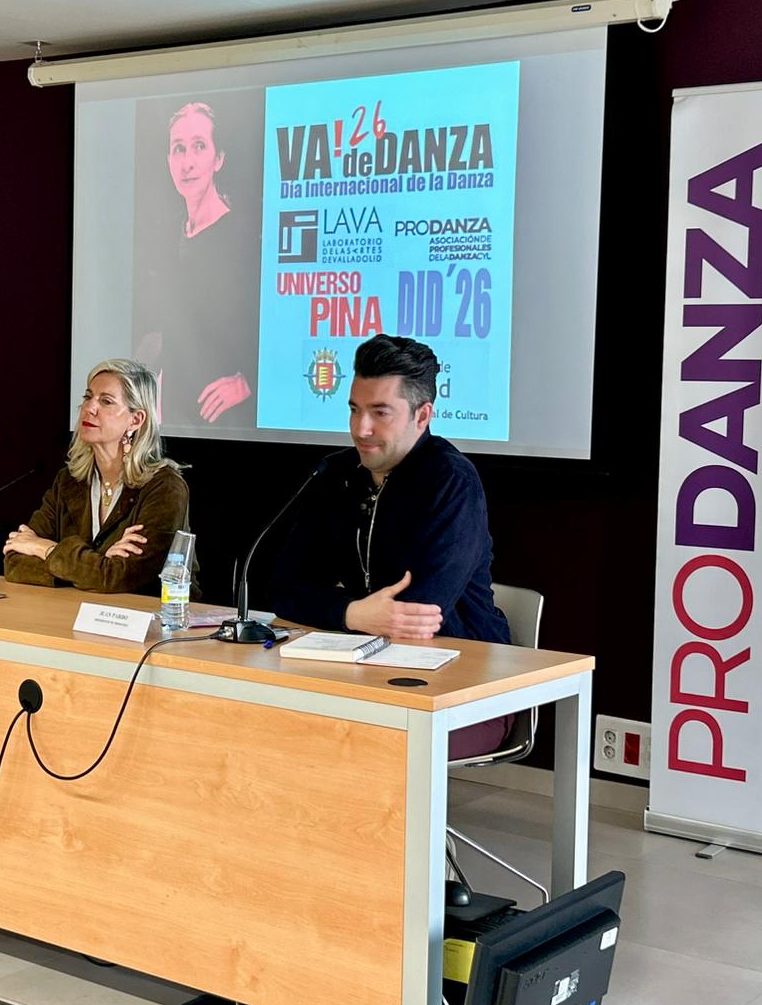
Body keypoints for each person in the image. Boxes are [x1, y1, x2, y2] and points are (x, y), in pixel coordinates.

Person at [271, 334, 510, 645]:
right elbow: (284, 589)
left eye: (380, 413)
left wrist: (333, 607)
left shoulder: (451, 481)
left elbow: (419, 612)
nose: (361, 429)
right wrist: (351, 613)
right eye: (355, 410)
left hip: (460, 655)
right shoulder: (335, 472)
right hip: (362, 652)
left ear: (422, 416)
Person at [4, 359, 189, 596]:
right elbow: (15, 561)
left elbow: (122, 577)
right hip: (76, 611)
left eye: (106, 401)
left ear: (135, 420)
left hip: (148, 614)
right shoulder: (69, 481)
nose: (89, 407)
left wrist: (46, 549)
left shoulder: (164, 487)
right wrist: (99, 563)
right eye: (88, 397)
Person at [133, 100, 257, 428]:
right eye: (179, 148)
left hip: (225, 425)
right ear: (168, 160)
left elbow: (276, 323)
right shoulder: (167, 237)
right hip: (171, 418)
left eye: (199, 146)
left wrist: (249, 381)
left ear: (219, 159)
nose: (187, 162)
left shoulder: (243, 237)